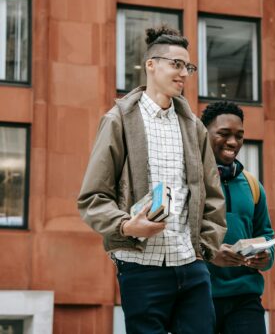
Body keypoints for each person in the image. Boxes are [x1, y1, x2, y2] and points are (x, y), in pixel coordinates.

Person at [77, 26, 226, 334]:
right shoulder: (117, 121)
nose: (184, 73)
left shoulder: (194, 127)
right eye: (176, 64)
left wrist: (204, 249)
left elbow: (212, 194)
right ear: (151, 65)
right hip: (140, 267)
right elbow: (93, 197)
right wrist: (125, 226)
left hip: (190, 264)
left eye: (188, 67)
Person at [200, 101, 275, 334]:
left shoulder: (253, 185)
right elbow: (174, 233)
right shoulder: (189, 181)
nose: (233, 142)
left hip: (246, 298)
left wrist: (266, 256)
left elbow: (266, 234)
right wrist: (211, 253)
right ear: (203, 135)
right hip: (198, 297)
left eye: (239, 136)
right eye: (224, 134)